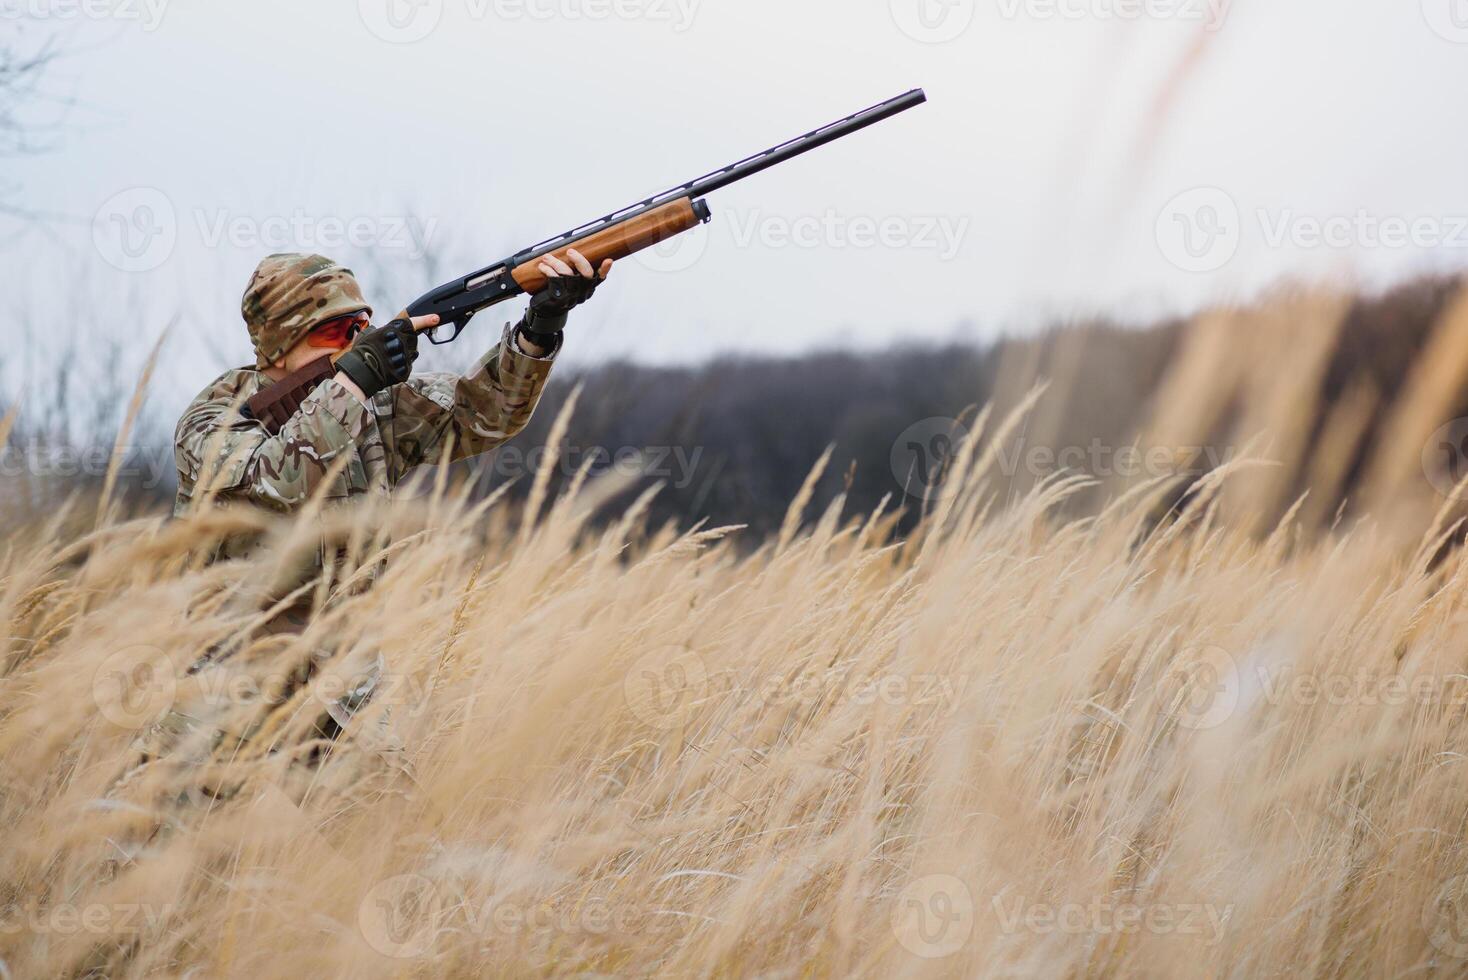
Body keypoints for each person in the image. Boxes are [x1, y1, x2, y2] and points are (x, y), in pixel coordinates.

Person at [174, 248, 611, 526]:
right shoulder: (215, 417)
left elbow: (488, 412)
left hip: (351, 668)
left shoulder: (373, 406)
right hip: (238, 667)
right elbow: (280, 484)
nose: (353, 341)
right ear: (278, 344)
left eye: (361, 328)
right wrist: (357, 379)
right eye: (335, 331)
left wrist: (542, 324)